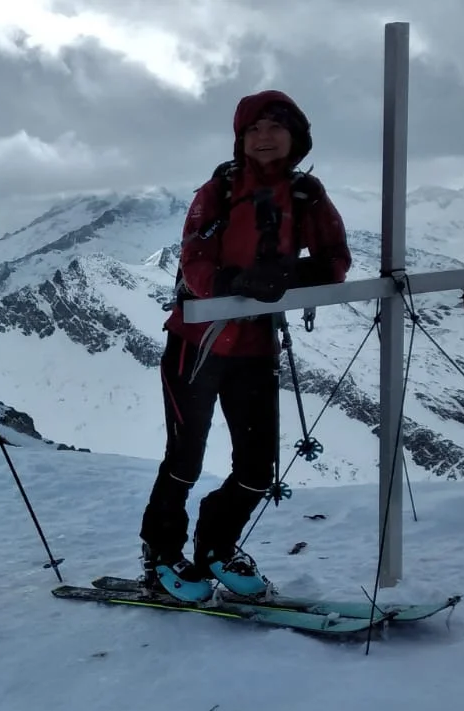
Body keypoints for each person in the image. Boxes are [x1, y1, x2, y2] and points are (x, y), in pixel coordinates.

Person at [138, 90, 352, 604]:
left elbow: (334, 260)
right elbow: (194, 261)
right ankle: (161, 554)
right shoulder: (218, 191)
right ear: (240, 139)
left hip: (255, 346)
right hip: (196, 343)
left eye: (275, 127)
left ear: (296, 137)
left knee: (257, 470)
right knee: (184, 460)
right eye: (253, 129)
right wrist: (237, 282)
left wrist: (288, 276)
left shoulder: (306, 195)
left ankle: (216, 546)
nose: (263, 137)